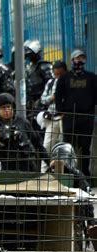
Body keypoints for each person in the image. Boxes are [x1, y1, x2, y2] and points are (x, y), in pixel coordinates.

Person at [55, 49, 97, 178]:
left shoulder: (91, 77)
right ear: (72, 60)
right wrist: (61, 111)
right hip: (69, 117)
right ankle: (69, 173)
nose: (79, 61)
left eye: (82, 58)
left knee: (85, 147)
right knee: (68, 147)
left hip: (86, 117)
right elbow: (58, 95)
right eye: (77, 58)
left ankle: (85, 174)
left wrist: (91, 112)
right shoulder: (65, 77)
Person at [0, 93, 50, 172]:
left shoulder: (22, 122)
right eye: (3, 108)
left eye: (9, 107)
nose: (7, 110)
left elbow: (37, 143)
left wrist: (49, 161)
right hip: (8, 167)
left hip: (28, 164)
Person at [37, 60, 67, 172]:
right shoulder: (50, 82)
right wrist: (52, 98)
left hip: (64, 118)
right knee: (47, 146)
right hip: (52, 118)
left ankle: (64, 172)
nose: (57, 73)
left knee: (64, 147)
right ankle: (43, 172)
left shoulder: (67, 82)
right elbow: (43, 99)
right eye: (56, 71)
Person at [24, 40, 53, 127]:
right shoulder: (30, 67)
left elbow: (50, 85)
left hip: (42, 104)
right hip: (31, 104)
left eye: (30, 54)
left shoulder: (44, 66)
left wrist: (42, 101)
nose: (28, 56)